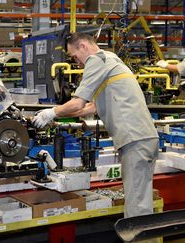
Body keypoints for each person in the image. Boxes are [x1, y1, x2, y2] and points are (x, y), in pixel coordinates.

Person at [33, 33, 159, 221]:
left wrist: (50, 113)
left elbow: (77, 103)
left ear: (83, 46)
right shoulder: (110, 59)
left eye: (75, 56)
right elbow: (88, 108)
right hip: (143, 139)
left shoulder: (96, 60)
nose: (77, 63)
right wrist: (55, 117)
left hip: (135, 140)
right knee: (141, 201)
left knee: (136, 210)